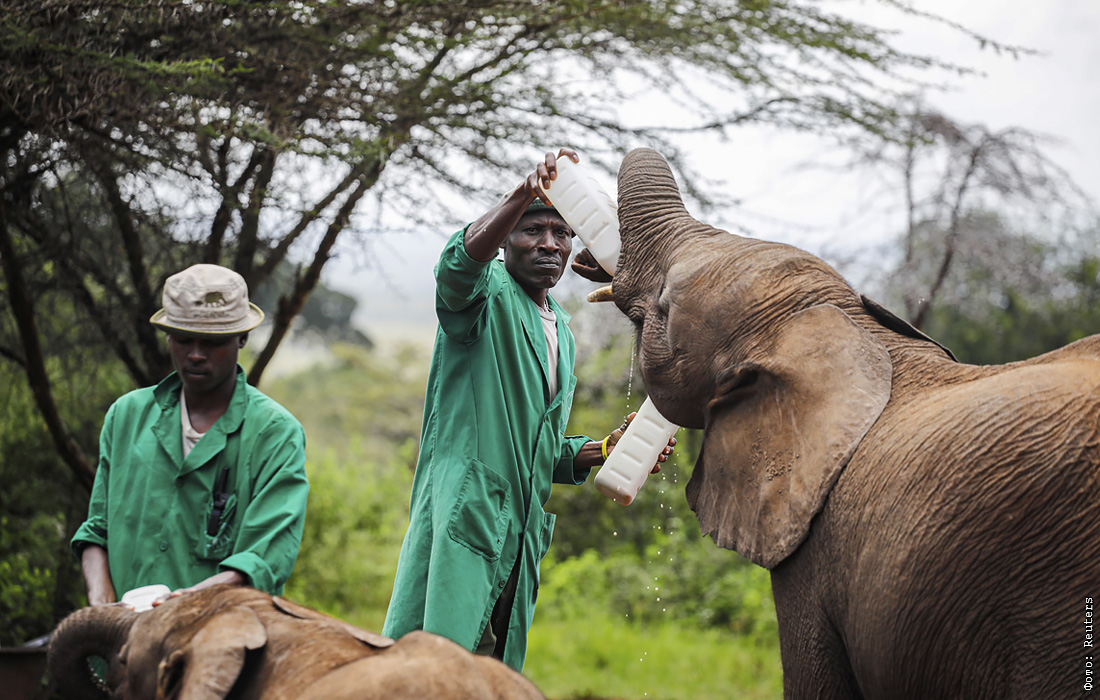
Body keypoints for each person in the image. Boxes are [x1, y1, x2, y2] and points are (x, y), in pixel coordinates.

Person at [383, 149, 675, 671]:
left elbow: (537, 449)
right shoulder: (485, 295)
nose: (548, 243)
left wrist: (605, 450)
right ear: (506, 239)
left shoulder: (560, 327)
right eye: (531, 229)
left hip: (516, 537)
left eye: (561, 233)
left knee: (491, 675)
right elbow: (457, 268)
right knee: (433, 670)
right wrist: (523, 193)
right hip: (467, 516)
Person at [71, 264, 309, 606]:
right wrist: (102, 604)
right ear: (169, 337)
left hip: (224, 630)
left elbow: (265, 555)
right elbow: (97, 530)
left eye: (212, 342)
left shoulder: (275, 434)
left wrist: (187, 604)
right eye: (183, 339)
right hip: (122, 633)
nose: (196, 354)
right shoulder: (127, 416)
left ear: (242, 337)